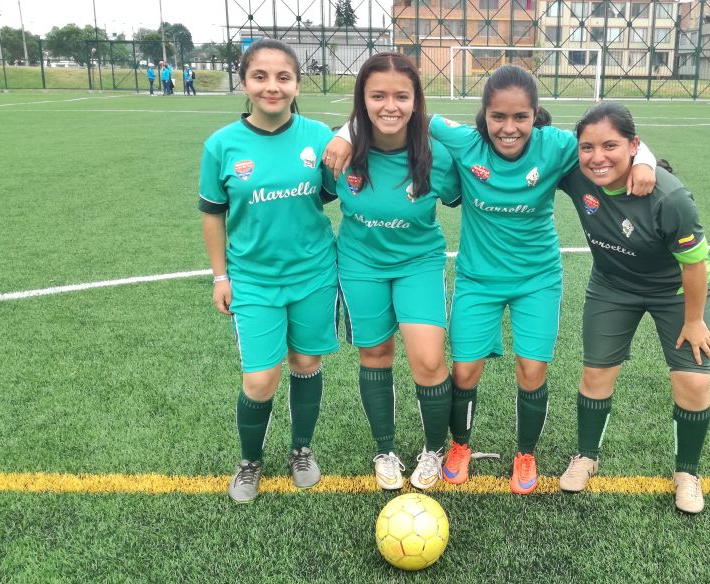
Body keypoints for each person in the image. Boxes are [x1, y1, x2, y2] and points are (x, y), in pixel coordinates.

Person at [324, 65, 657, 495]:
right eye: (498, 117)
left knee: (532, 367)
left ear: (535, 115)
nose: (509, 127)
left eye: (520, 117)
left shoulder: (555, 146)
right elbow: (409, 115)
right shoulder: (464, 143)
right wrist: (346, 134)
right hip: (478, 279)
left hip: (537, 277)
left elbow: (605, 143)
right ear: (483, 116)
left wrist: (644, 159)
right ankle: (458, 446)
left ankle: (525, 453)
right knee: (464, 371)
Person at [554, 102, 710, 515]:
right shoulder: (575, 174)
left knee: (693, 383)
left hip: (675, 292)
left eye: (611, 145)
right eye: (587, 147)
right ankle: (586, 456)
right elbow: (534, 144)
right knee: (595, 374)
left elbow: (695, 266)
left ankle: (687, 473)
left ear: (634, 145)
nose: (597, 157)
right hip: (612, 287)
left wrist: (694, 320)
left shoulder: (670, 197)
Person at [198, 38, 339, 503]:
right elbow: (213, 213)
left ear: (297, 83)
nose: (272, 87)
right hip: (253, 279)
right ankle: (250, 460)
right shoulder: (221, 145)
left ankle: (301, 449)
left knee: (305, 362)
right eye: (260, 76)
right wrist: (221, 276)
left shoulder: (319, 137)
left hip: (314, 272)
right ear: (244, 82)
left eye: (283, 77)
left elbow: (335, 187)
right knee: (260, 378)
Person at [324, 53, 461, 491]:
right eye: (377, 95)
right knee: (376, 355)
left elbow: (483, 164)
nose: (389, 106)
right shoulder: (338, 153)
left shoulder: (437, 155)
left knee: (428, 359)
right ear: (361, 100)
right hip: (360, 266)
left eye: (401, 96)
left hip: (417, 264)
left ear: (417, 100)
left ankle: (433, 450)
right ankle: (385, 450)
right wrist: (345, 133)